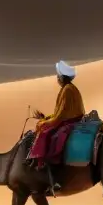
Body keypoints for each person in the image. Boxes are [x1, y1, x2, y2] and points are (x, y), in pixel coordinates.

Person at [27, 61, 86, 190]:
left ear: (62, 77)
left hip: (70, 123)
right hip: (70, 120)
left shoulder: (67, 90)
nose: (57, 78)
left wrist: (47, 122)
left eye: (58, 76)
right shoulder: (69, 88)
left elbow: (61, 116)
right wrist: (49, 118)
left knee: (46, 133)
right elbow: (60, 112)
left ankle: (47, 167)